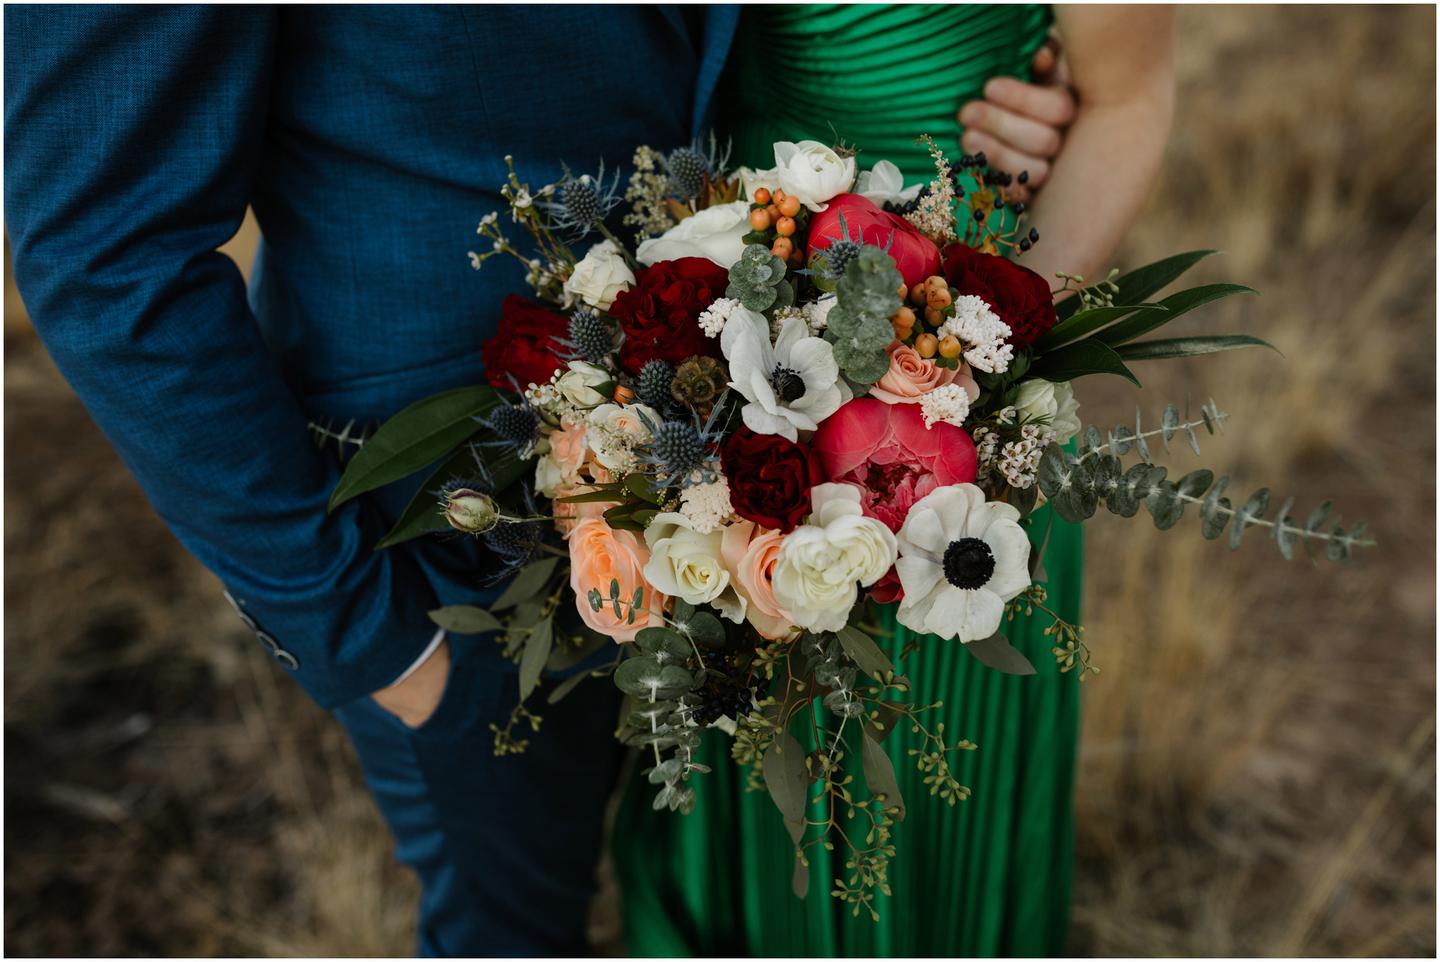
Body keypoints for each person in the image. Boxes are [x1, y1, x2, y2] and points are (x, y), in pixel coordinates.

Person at [611, 4, 1175, 956]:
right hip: (713, 349)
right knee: (740, 784)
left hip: (948, 368)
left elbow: (1131, 96)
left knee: (920, 795)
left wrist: (980, 366)